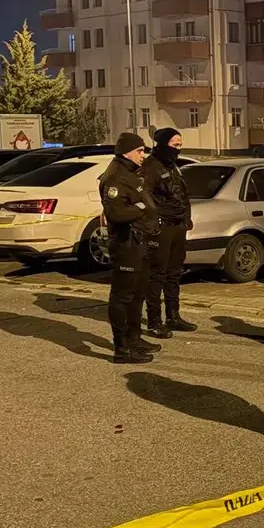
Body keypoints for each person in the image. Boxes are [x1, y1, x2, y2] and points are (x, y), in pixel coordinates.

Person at [99, 132, 162, 364]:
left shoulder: (132, 173)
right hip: (126, 243)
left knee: (138, 293)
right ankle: (122, 349)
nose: (143, 155)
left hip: (140, 241)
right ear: (126, 152)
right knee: (122, 296)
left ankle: (134, 339)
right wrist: (141, 208)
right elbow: (116, 212)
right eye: (139, 151)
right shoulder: (115, 177)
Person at [141, 127, 196, 338]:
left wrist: (186, 217)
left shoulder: (173, 166)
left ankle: (173, 316)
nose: (178, 149)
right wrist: (153, 223)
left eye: (180, 145)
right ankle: (154, 321)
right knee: (157, 274)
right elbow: (145, 198)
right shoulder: (150, 167)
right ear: (163, 144)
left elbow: (181, 194)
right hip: (161, 226)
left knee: (174, 273)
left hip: (177, 225)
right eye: (175, 145)